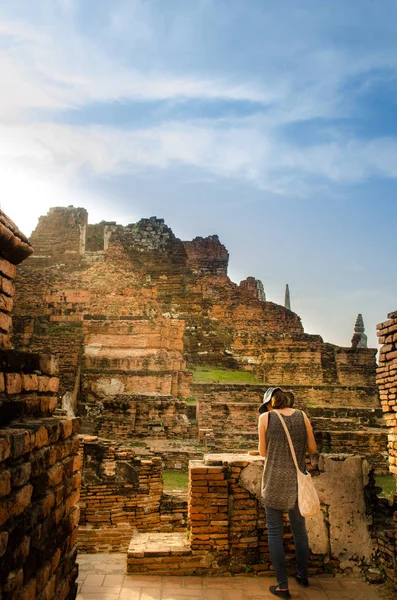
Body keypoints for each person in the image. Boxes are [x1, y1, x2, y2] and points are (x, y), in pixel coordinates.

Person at [257, 387, 317, 599]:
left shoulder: (266, 418)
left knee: (275, 532)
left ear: (270, 404)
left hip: (273, 480)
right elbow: (312, 448)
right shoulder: (302, 416)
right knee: (299, 531)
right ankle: (302, 576)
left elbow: (263, 452)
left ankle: (282, 586)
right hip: (297, 481)